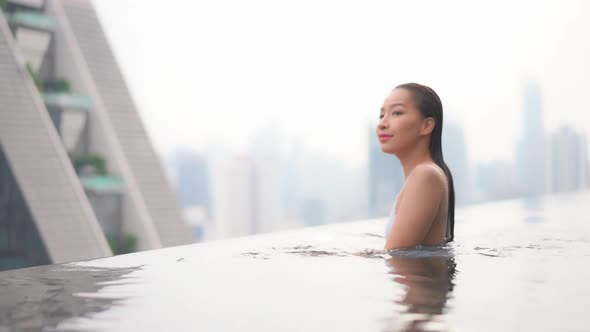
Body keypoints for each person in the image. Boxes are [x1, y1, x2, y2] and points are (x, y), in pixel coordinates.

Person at [378, 83, 455, 250]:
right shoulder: (424, 175)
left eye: (396, 113)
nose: (382, 124)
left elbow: (396, 256)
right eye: (381, 115)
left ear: (426, 125)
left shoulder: (425, 175)